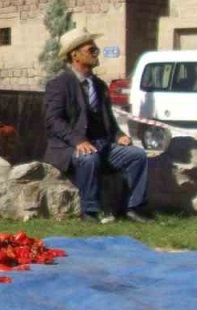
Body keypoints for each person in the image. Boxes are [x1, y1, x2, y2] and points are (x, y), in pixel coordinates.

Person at [43, 28, 152, 224]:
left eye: (96, 50)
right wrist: (78, 141)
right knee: (88, 157)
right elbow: (53, 120)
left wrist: (119, 135)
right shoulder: (59, 84)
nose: (97, 53)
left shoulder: (99, 86)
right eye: (92, 50)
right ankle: (90, 211)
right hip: (69, 147)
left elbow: (108, 120)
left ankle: (133, 208)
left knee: (137, 156)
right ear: (75, 55)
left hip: (102, 144)